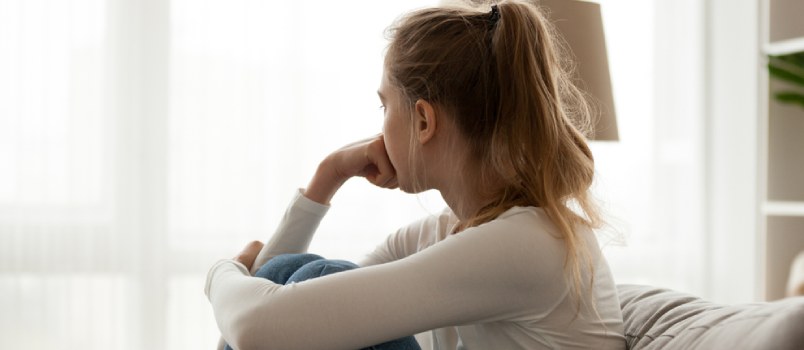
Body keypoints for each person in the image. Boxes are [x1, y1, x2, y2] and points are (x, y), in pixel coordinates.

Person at [205, 1, 626, 349]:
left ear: (424, 121)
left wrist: (221, 272)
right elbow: (298, 311)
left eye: (384, 105)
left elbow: (256, 328)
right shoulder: (446, 233)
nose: (381, 125)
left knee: (317, 276)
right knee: (306, 281)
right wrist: (328, 176)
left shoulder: (529, 242)